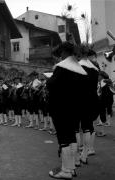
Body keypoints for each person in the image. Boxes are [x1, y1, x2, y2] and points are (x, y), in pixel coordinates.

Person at [47, 42, 87, 179]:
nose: (59, 57)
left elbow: (52, 85)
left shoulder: (62, 67)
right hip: (75, 108)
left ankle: (65, 170)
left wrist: (49, 79)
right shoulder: (79, 69)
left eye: (60, 54)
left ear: (64, 52)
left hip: (61, 109)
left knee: (64, 138)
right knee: (71, 137)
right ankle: (71, 168)